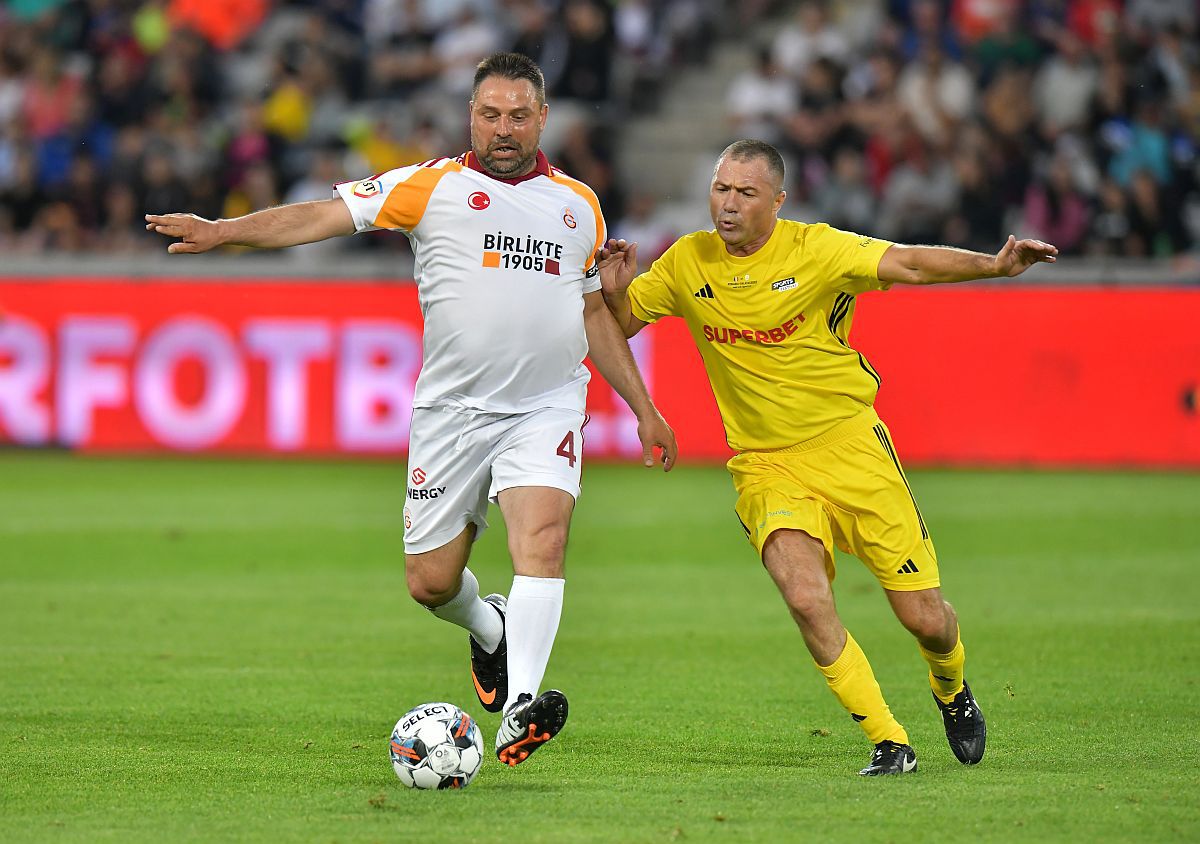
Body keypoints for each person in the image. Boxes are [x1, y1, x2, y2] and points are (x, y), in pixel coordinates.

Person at [145, 52, 677, 768]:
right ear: (471, 116)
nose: (504, 128)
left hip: (545, 406)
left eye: (519, 115)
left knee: (543, 542)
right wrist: (223, 230)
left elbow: (591, 312)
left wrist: (642, 406)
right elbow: (320, 216)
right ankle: (487, 627)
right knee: (430, 582)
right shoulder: (430, 187)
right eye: (490, 114)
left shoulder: (578, 204)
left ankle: (522, 705)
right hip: (453, 414)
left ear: (543, 119)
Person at [598, 139, 1057, 776]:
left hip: (850, 448)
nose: (727, 206)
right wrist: (616, 294)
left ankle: (950, 687)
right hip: (765, 463)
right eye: (721, 189)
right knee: (806, 598)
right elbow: (619, 327)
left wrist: (995, 264)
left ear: (777, 202)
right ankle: (889, 740)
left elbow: (912, 264)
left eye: (745, 194)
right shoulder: (686, 261)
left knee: (924, 619)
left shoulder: (817, 250)